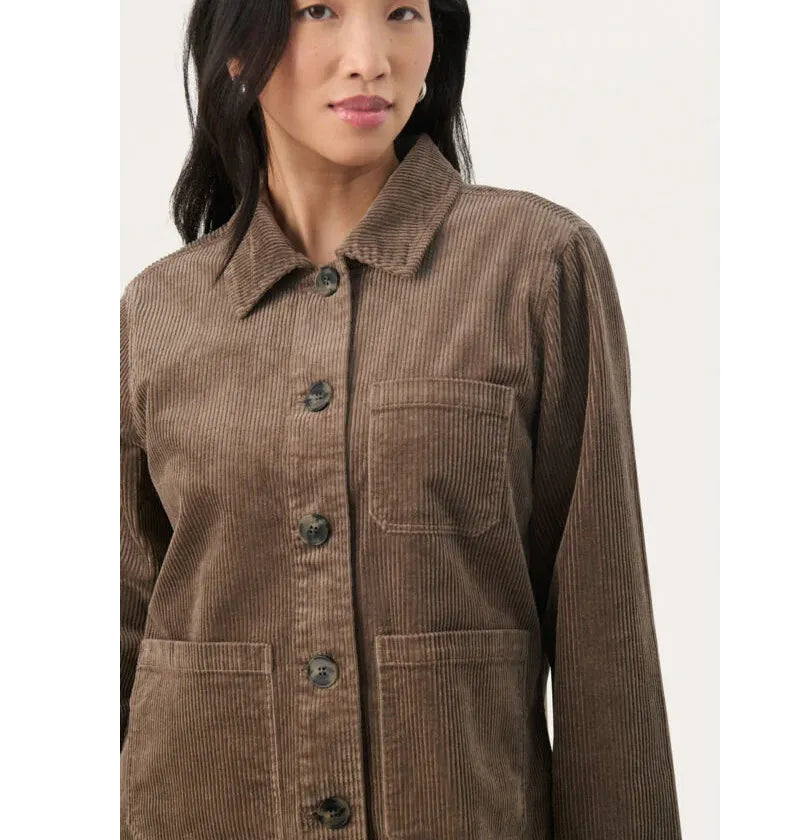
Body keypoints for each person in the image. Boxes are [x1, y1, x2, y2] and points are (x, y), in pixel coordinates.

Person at [120, 1, 684, 837]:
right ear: (237, 51)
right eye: (318, 11)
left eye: (401, 13)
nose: (369, 58)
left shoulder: (534, 267)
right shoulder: (158, 312)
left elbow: (606, 633)